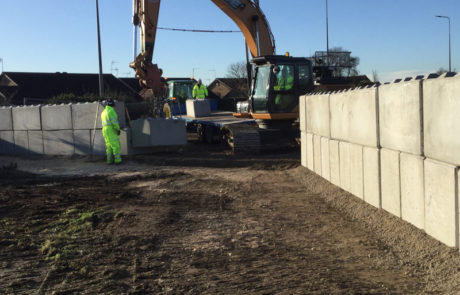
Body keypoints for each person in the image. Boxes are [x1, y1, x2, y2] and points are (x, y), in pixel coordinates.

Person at [101, 99, 121, 164]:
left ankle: (109, 161)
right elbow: (114, 122)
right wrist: (118, 129)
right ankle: (117, 160)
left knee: (109, 146)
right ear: (112, 104)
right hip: (111, 130)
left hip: (104, 130)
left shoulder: (103, 112)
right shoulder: (111, 111)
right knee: (115, 145)